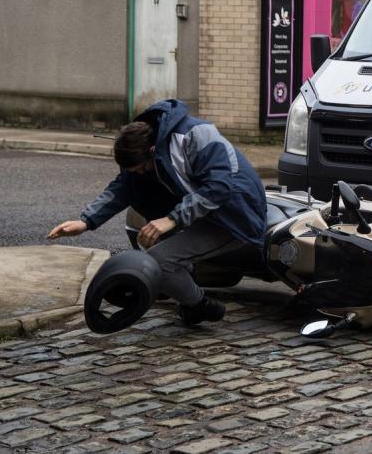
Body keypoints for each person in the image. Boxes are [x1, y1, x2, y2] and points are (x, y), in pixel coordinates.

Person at [48, 99, 267, 326]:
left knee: (159, 261)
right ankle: (188, 296)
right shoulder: (141, 146)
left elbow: (220, 186)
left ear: (152, 151)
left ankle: (202, 306)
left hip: (234, 216)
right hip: (200, 211)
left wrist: (172, 219)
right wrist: (85, 221)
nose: (140, 173)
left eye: (142, 168)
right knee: (158, 246)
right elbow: (124, 187)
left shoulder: (197, 135)